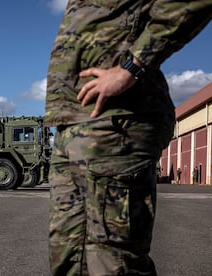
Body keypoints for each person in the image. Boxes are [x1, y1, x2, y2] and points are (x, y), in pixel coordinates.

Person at [45, 1, 212, 275]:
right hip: (71, 124)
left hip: (116, 123)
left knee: (112, 261)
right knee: (68, 256)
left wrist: (132, 67)